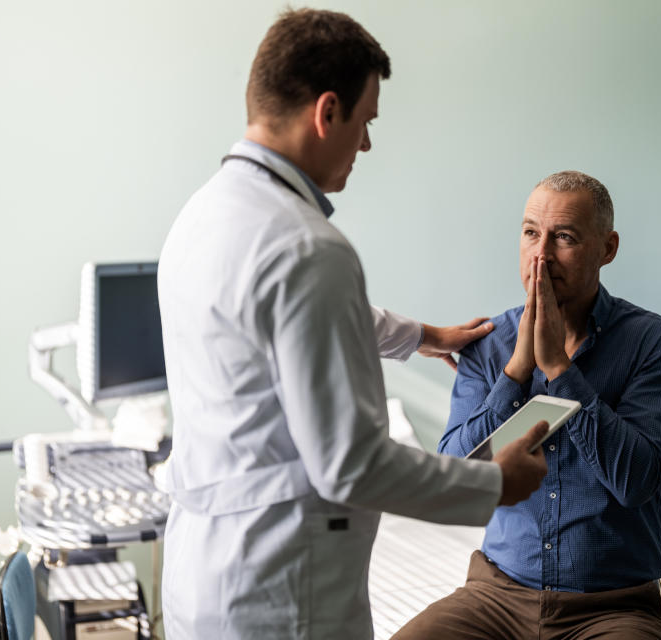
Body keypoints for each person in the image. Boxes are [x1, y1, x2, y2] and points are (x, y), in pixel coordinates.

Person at [157, 9, 550, 639]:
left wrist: (423, 335)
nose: (365, 144)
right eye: (365, 122)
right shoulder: (309, 247)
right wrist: (494, 483)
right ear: (327, 111)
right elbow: (352, 465)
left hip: (203, 575)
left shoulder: (204, 217)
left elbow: (280, 319)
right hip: (284, 594)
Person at [393, 171, 661, 640]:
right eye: (531, 232)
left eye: (564, 237)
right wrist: (515, 373)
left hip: (614, 608)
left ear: (607, 249)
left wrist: (558, 370)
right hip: (495, 598)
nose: (542, 254)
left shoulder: (655, 344)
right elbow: (455, 475)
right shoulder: (488, 346)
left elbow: (636, 482)